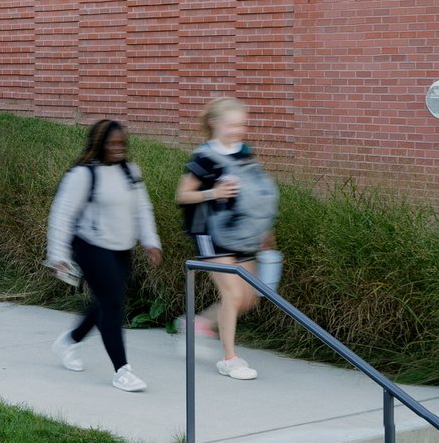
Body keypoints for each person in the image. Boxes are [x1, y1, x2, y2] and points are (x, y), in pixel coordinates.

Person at [45, 119, 162, 392]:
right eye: (112, 143)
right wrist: (58, 254)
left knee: (107, 302)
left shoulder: (130, 172)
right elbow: (61, 214)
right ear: (99, 145)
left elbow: (142, 209)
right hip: (90, 245)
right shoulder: (84, 175)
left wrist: (150, 241)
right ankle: (122, 371)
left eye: (122, 143)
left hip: (122, 249)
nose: (118, 148)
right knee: (112, 304)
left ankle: (68, 341)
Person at [177, 96, 279, 381]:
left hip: (243, 233)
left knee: (249, 297)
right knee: (232, 295)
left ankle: (197, 324)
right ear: (215, 123)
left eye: (242, 125)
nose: (238, 130)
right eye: (232, 125)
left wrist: (264, 230)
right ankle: (229, 359)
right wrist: (214, 193)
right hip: (209, 233)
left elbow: (254, 193)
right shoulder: (203, 158)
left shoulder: (244, 152)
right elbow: (183, 195)